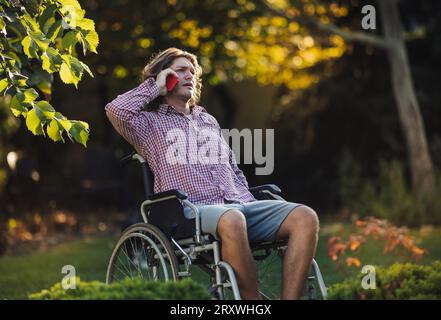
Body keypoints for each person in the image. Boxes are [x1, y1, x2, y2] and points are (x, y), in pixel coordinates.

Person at [105, 47, 319, 300]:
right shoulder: (147, 123)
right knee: (232, 219)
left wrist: (248, 196)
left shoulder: (207, 120)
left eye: (193, 72)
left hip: (239, 204)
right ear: (164, 76)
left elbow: (232, 168)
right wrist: (155, 85)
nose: (190, 75)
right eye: (181, 70)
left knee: (305, 217)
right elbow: (116, 110)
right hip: (189, 211)